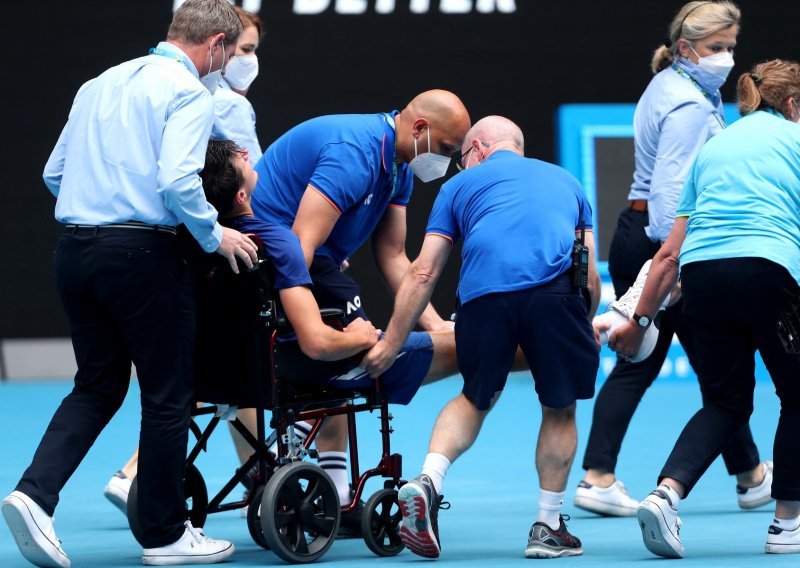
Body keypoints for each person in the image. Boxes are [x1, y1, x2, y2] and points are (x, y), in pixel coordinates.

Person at [0, 1, 259, 566]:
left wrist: (96, 216)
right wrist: (216, 236)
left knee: (97, 384)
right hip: (142, 255)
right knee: (169, 393)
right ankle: (166, 536)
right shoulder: (189, 91)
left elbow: (54, 173)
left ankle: (34, 495)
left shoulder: (97, 83)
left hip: (74, 250)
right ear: (216, 45)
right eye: (231, 52)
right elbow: (177, 182)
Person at [362, 116, 601, 559]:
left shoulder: (457, 188)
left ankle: (428, 480)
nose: (460, 167)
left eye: (462, 159)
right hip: (554, 297)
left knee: (475, 397)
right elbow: (587, 276)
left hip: (481, 299)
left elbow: (424, 271)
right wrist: (582, 324)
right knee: (559, 407)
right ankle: (548, 527)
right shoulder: (567, 181)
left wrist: (392, 342)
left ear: (479, 149)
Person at [574, 0, 772, 518]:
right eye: (716, 48)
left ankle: (751, 475)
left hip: (646, 238)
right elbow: (669, 201)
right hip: (664, 244)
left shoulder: (677, 86)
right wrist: (674, 266)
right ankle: (597, 477)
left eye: (731, 47)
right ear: (686, 48)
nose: (727, 58)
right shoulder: (686, 105)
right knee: (643, 356)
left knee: (711, 362)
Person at [607, 59, 800, 558]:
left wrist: (640, 320)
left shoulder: (712, 149)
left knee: (726, 402)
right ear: (793, 104)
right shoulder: (796, 142)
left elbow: (669, 252)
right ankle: (787, 525)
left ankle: (666, 494)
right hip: (770, 273)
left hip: (703, 282)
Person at [250, 89, 471, 511]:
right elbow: (299, 247)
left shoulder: (400, 170)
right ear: (420, 128)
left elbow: (392, 257)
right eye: (445, 150)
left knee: (346, 348)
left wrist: (436, 324)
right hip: (273, 261)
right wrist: (308, 324)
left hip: (313, 264)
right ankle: (298, 435)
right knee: (354, 349)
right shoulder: (355, 153)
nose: (444, 163)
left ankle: (333, 495)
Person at [102, 4, 266, 517]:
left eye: (255, 50)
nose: (247, 60)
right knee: (237, 367)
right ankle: (141, 472)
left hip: (167, 243)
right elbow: (244, 185)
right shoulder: (219, 103)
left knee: (202, 370)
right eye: (242, 50)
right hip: (215, 243)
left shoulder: (133, 87)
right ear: (218, 45)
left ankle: (145, 471)